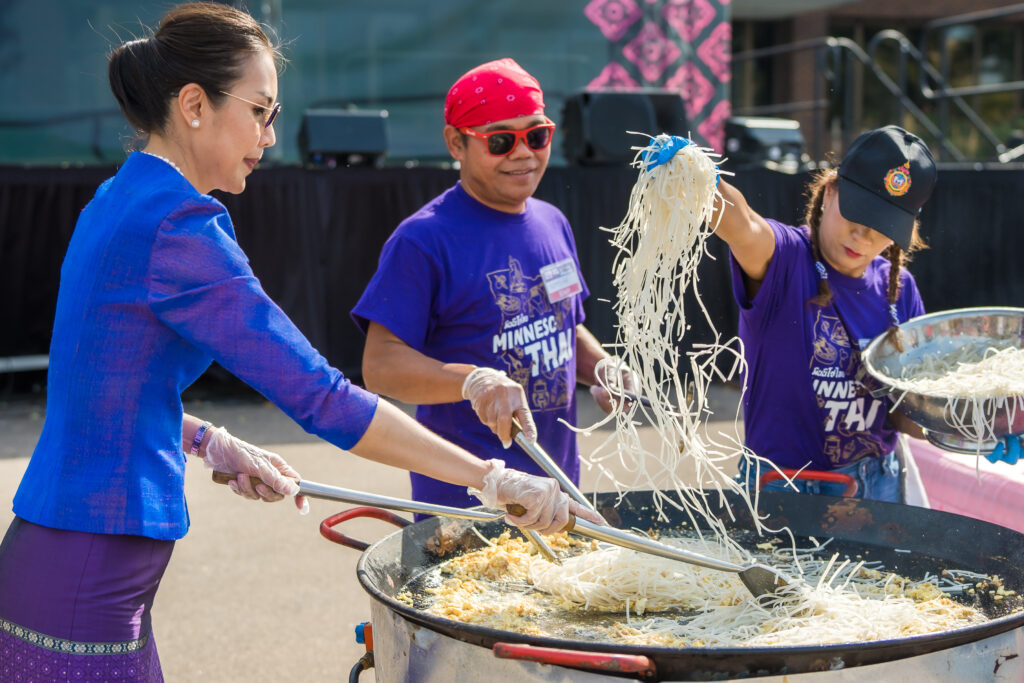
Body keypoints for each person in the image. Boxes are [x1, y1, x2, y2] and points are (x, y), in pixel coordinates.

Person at [0, 6, 599, 681]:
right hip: (87, 567)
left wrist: (201, 439)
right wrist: (489, 476)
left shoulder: (120, 197)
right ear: (193, 104)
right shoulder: (179, 226)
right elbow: (323, 395)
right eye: (259, 111)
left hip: (71, 557)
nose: (269, 135)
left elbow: (99, 382)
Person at [352, 58, 633, 510]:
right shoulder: (424, 238)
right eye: (501, 141)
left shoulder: (552, 222)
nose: (523, 153)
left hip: (558, 489)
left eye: (536, 136)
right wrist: (475, 382)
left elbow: (562, 325)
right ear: (456, 143)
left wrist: (602, 367)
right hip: (468, 496)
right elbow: (380, 367)